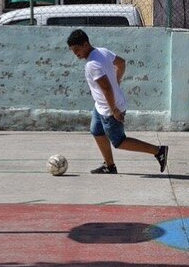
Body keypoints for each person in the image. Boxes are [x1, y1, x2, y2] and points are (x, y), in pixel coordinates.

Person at [67, 29, 168, 174]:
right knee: (96, 131)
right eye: (73, 51)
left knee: (119, 141)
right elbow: (121, 63)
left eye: (77, 50)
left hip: (110, 108)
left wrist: (114, 109)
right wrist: (117, 80)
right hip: (101, 106)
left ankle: (159, 151)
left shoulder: (92, 64)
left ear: (85, 44)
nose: (75, 54)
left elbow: (107, 89)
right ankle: (109, 166)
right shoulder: (102, 52)